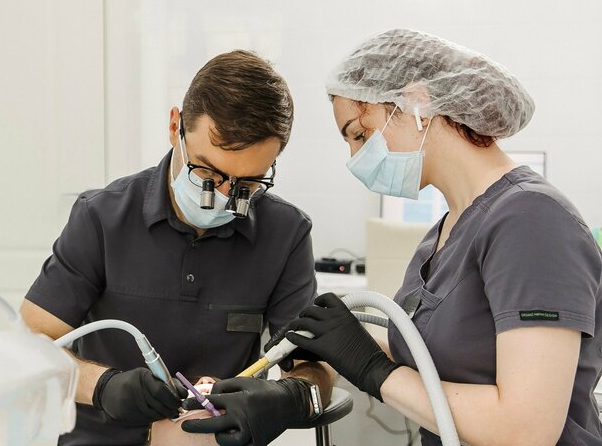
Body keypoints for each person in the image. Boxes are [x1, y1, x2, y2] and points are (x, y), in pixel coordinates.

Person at [187, 29, 602, 445]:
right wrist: (339, 341)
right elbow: (440, 362)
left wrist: (373, 368)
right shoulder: (443, 234)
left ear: (416, 103)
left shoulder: (531, 220)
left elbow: (526, 429)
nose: (355, 158)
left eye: (360, 134)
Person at [21, 50, 334, 446]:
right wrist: (102, 385)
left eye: (246, 186)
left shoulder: (285, 234)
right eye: (207, 173)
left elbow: (313, 368)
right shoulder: (101, 217)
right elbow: (31, 345)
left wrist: (287, 397)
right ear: (175, 126)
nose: (223, 197)